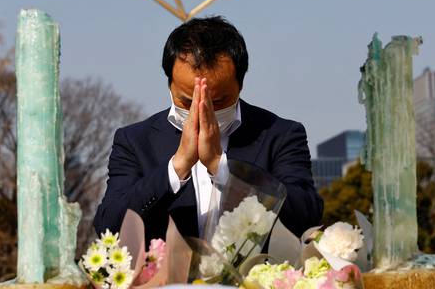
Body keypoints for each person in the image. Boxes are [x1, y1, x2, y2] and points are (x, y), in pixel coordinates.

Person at [94, 16, 323, 243]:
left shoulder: (279, 134)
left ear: (240, 85)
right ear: (169, 83)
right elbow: (109, 228)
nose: (201, 109)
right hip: (165, 279)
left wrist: (222, 168)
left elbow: (305, 216)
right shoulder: (135, 140)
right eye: (187, 100)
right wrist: (176, 167)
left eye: (219, 101)